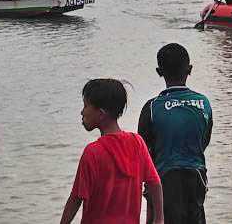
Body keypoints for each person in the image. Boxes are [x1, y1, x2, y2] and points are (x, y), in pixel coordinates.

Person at [61, 79, 164, 224]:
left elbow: (76, 197)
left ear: (101, 114)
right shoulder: (137, 143)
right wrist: (159, 219)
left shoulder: (92, 152)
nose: (82, 111)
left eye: (85, 106)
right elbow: (155, 183)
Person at [138, 43, 213, 224]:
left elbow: (143, 152)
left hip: (163, 180)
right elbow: (204, 140)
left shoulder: (152, 107)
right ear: (190, 70)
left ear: (159, 71)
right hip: (196, 178)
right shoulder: (203, 103)